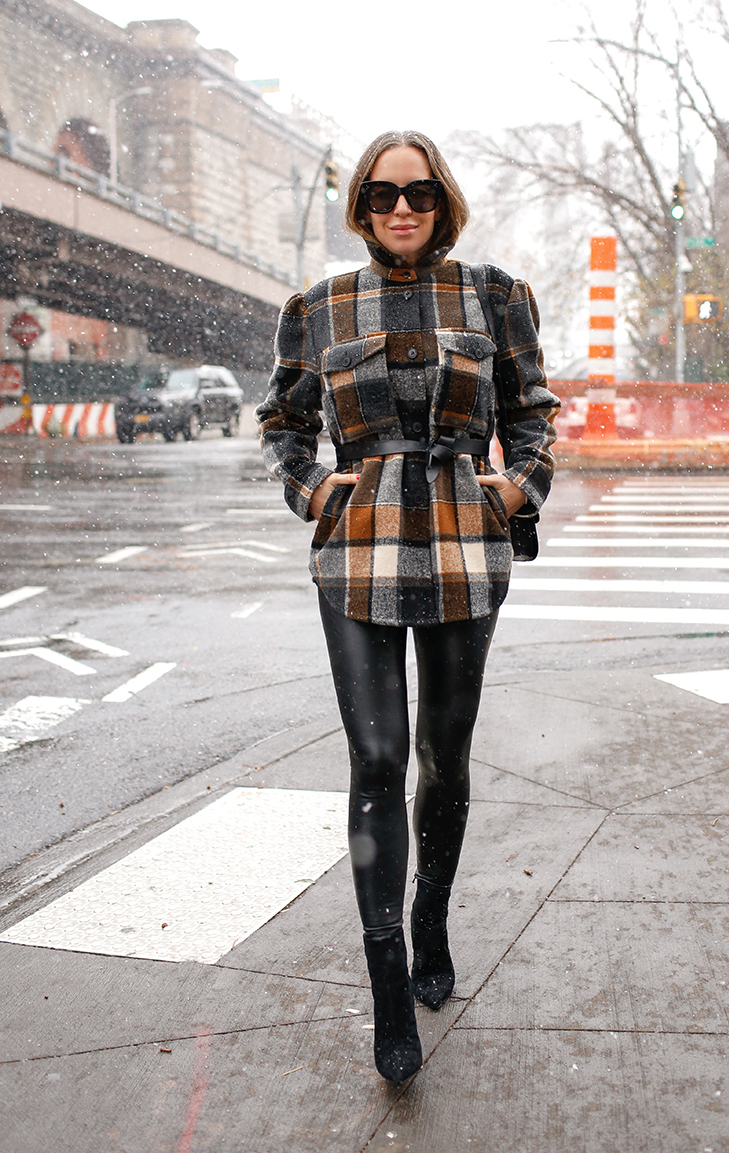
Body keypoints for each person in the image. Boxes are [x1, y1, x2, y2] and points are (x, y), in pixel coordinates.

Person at [255, 131, 559, 1083]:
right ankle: (388, 972)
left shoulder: (496, 294)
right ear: (361, 203)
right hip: (357, 549)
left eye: (420, 192)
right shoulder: (317, 306)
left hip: (467, 542)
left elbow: (532, 410)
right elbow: (282, 421)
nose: (402, 207)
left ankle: (431, 915)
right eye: (385, 193)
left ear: (443, 200)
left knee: (445, 754)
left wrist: (521, 486)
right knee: (379, 754)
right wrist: (312, 490)